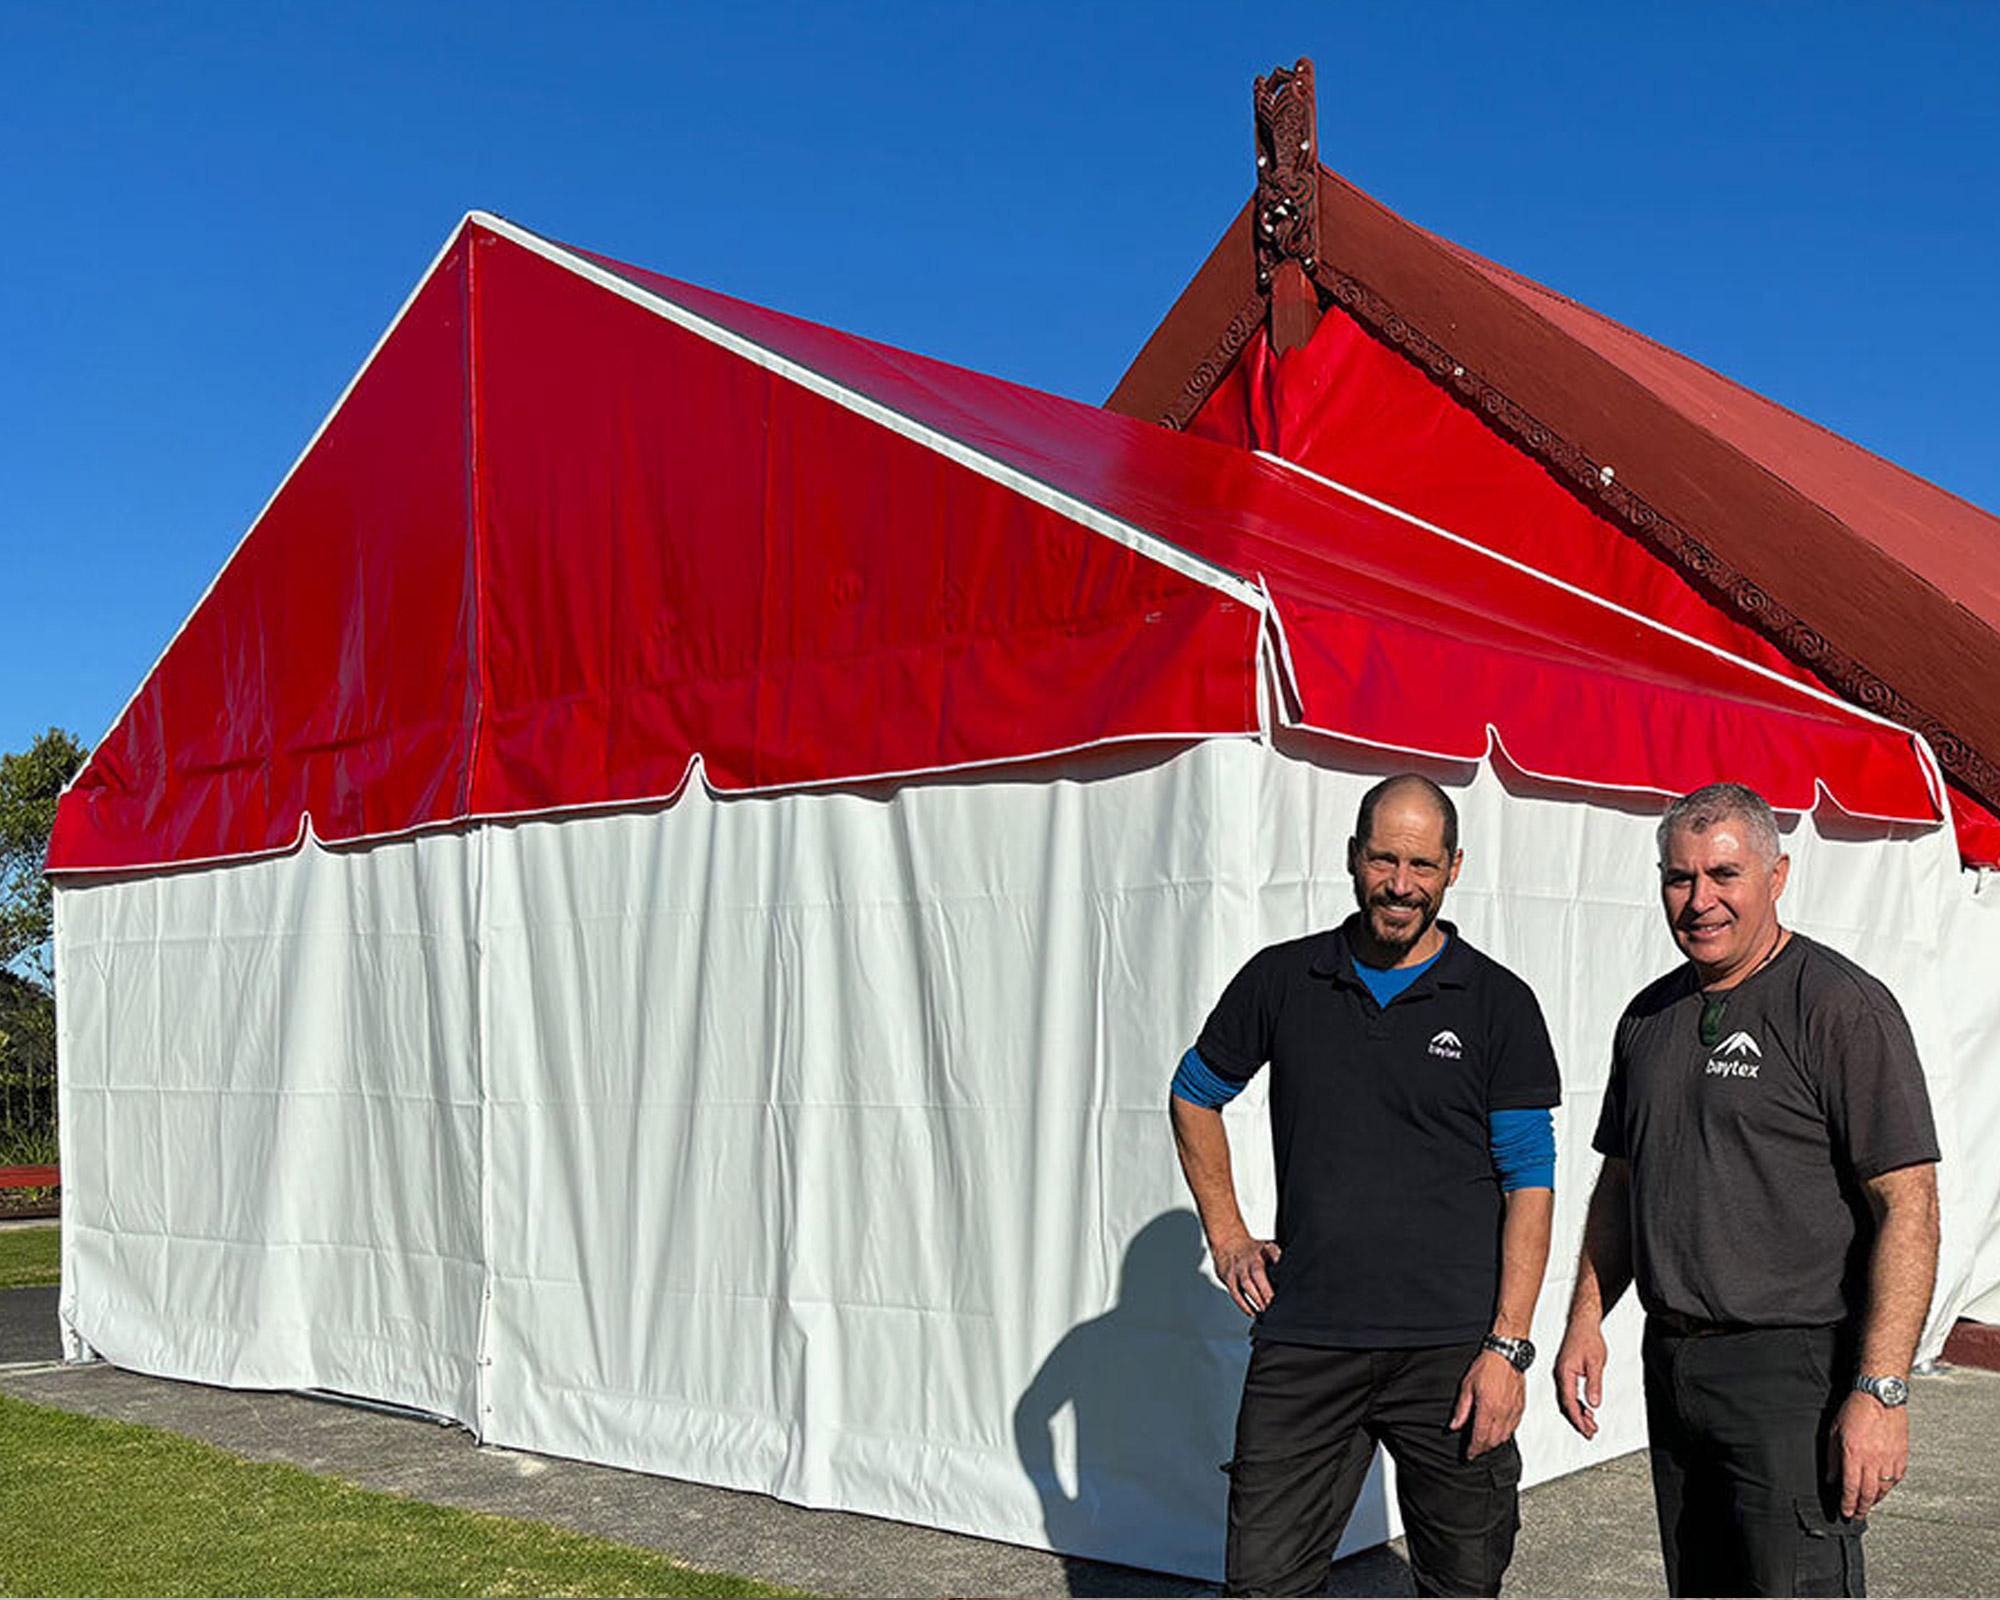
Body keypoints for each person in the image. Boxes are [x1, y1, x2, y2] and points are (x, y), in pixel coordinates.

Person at [1170, 773, 1561, 1597]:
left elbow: (1530, 1178)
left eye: (1422, 864)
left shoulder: (1498, 1003)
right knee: (1264, 1585)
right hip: (1308, 1338)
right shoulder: (1284, 979)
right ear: (1353, 856)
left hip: (1452, 1352)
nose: (1400, 884)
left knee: (1463, 1584)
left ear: (1454, 868)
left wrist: (1507, 1348)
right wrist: (1228, 1236)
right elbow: (1195, 1092)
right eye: (1384, 859)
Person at [1554, 781, 1941, 1598]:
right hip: (1674, 1363)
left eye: (1724, 875)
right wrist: (1586, 1316)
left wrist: (1881, 1389)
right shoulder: (1648, 1018)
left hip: (1793, 1372)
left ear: (1778, 875)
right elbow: (1621, 1181)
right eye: (1680, 877)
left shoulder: (1839, 1008)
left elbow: (1909, 1206)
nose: (1700, 900)